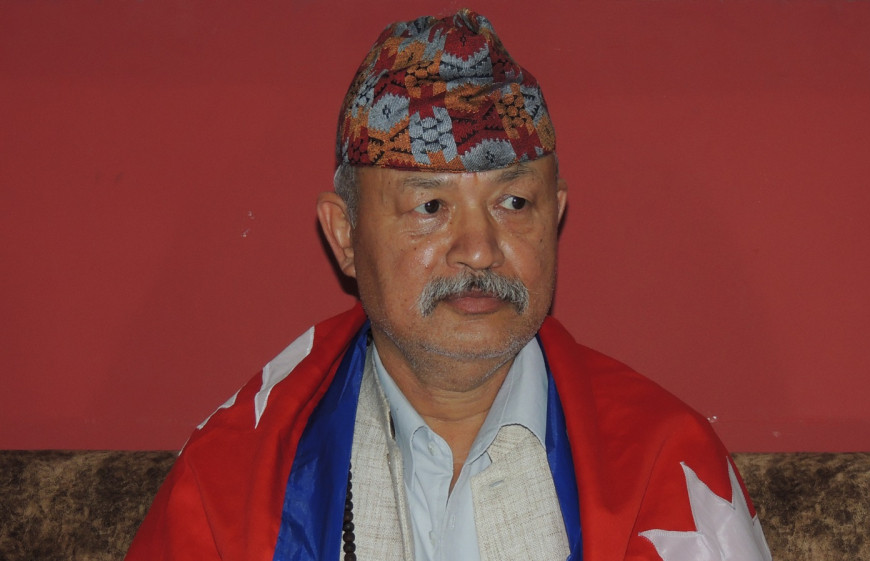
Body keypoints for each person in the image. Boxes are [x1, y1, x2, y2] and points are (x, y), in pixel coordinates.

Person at [126, 10, 771, 561]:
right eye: (430, 206)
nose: (480, 249)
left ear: (556, 215)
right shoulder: (235, 477)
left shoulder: (664, 464)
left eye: (514, 202)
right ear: (345, 235)